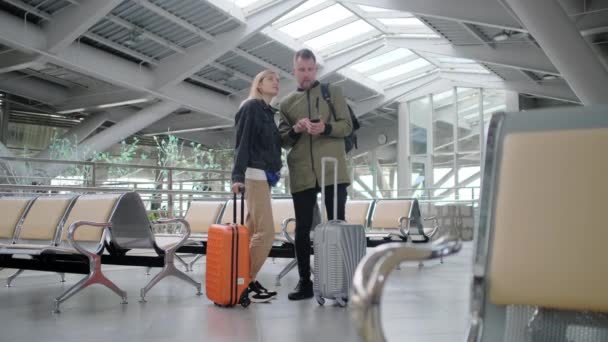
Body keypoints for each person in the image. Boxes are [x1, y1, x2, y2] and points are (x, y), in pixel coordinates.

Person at [278, 49, 353, 301]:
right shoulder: (286, 104)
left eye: (311, 69)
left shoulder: (333, 93)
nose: (307, 74)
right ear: (294, 71)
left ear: (316, 69)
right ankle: (304, 282)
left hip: (333, 170)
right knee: (302, 229)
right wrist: (297, 129)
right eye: (302, 70)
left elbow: (347, 126)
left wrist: (326, 127)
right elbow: (282, 139)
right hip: (302, 172)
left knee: (337, 224)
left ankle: (341, 282)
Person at [231, 69, 282, 303]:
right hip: (253, 174)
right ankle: (245, 281)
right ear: (258, 84)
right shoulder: (251, 107)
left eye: (278, 79)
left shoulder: (268, 113)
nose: (276, 82)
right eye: (270, 79)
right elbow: (242, 142)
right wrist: (237, 176)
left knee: (251, 232)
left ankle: (241, 281)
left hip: (264, 175)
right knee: (266, 232)